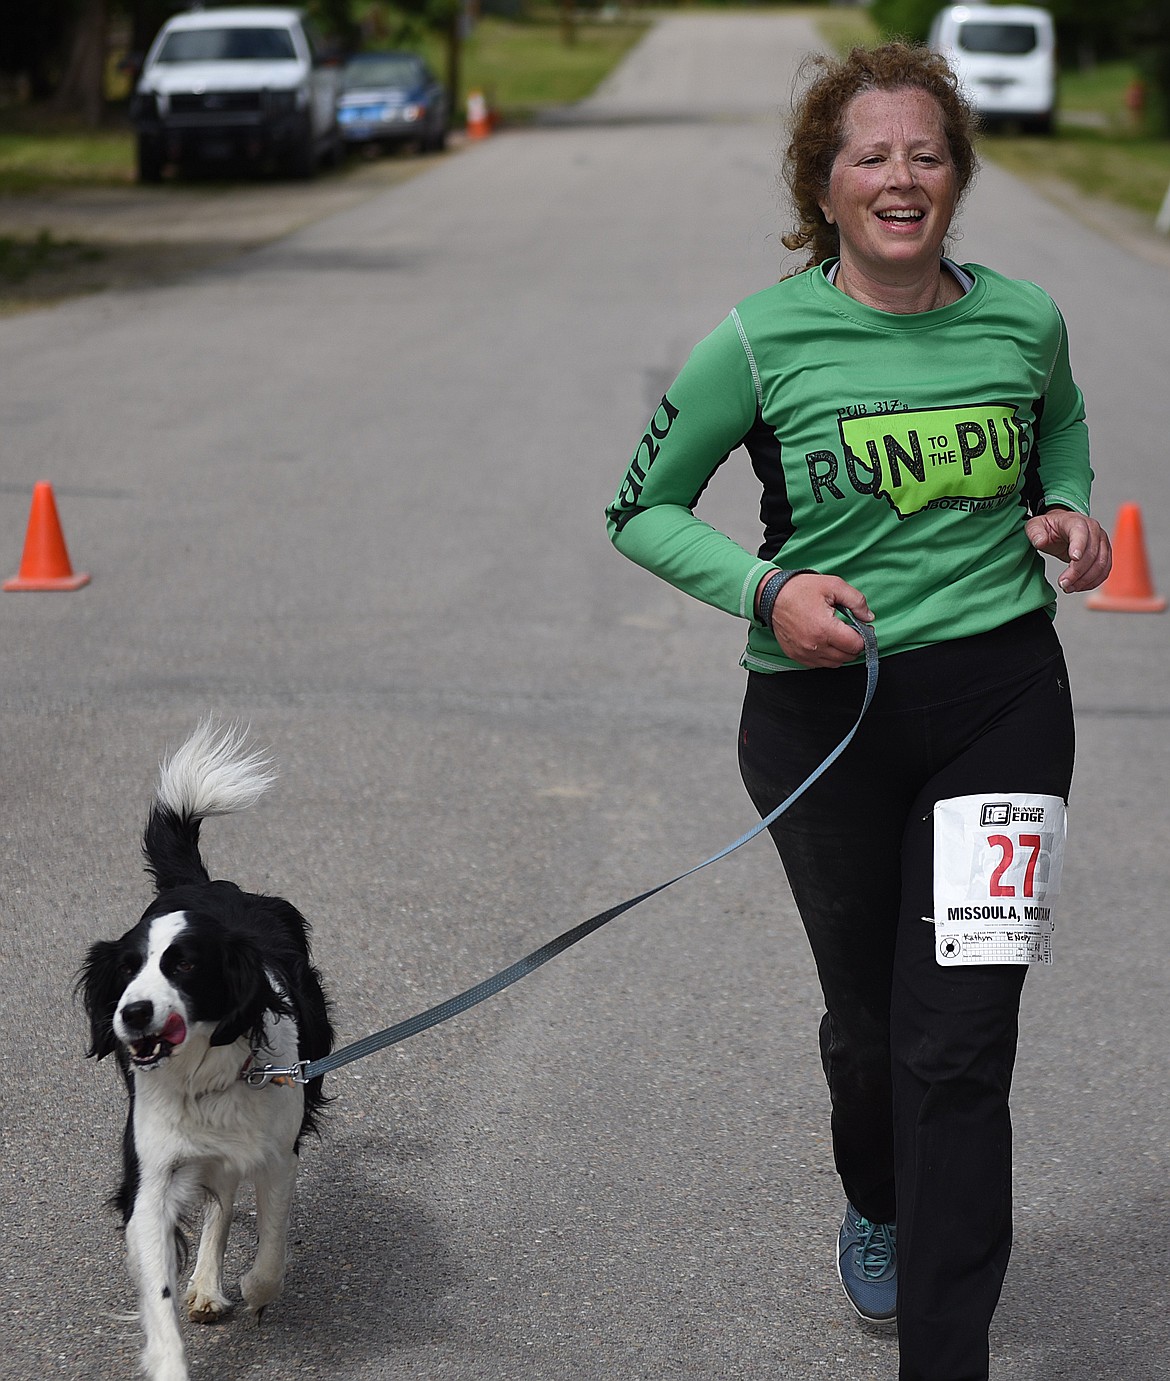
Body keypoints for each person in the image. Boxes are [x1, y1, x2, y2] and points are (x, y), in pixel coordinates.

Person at [605, 42, 1111, 1381]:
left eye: (926, 154)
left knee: (958, 1042)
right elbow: (638, 511)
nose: (901, 177)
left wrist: (1060, 506)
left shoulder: (1023, 317)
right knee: (870, 1031)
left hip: (1003, 703)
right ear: (822, 186)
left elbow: (1056, 425)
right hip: (822, 723)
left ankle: (944, 1357)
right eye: (870, 156)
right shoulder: (758, 340)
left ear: (956, 176)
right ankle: (878, 1197)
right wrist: (764, 589)